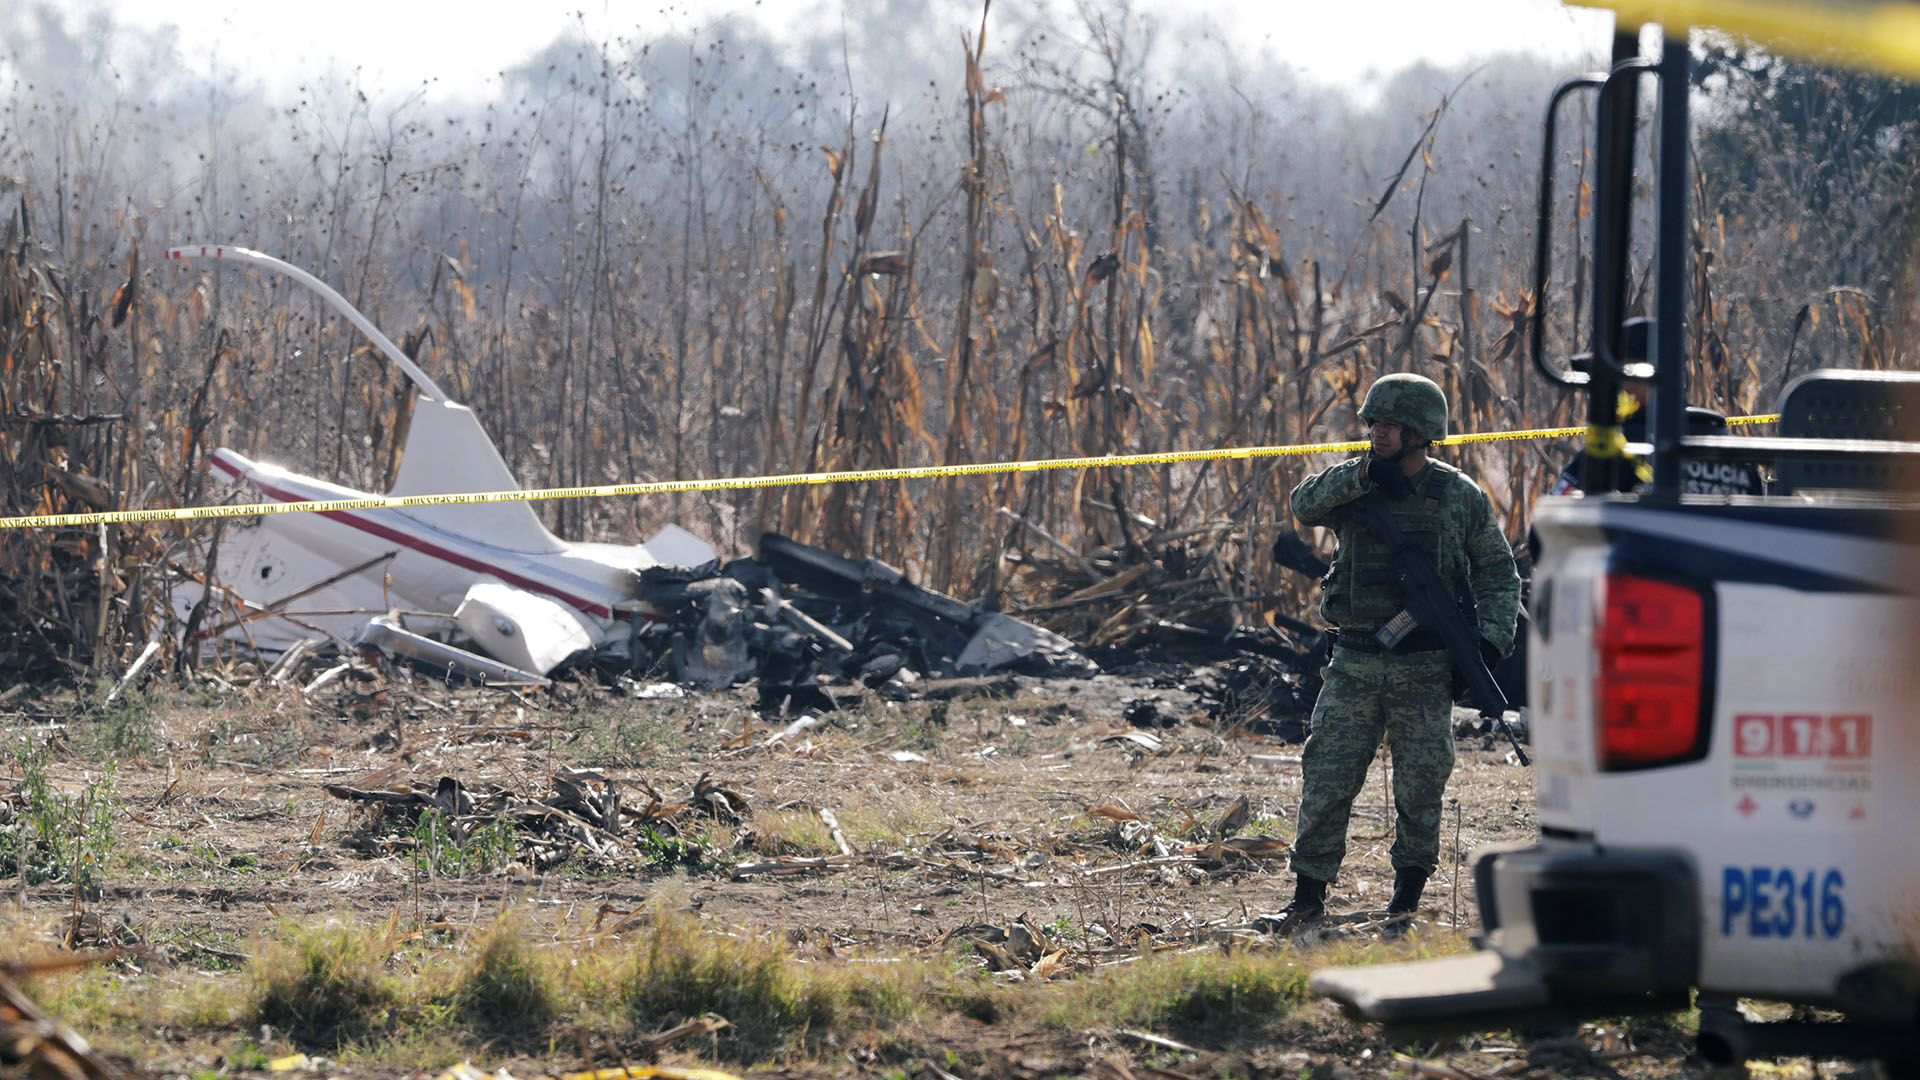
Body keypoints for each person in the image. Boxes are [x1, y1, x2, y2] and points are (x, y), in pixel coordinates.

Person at [1266, 373, 1520, 934]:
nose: (1379, 433)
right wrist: (1357, 477)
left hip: (1425, 667)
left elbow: (1499, 573)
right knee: (1328, 777)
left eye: (1392, 425)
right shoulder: (1356, 485)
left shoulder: (1458, 497)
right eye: (1374, 423)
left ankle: (1405, 903)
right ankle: (1306, 897)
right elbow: (1303, 505)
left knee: (1421, 786)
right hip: (1353, 660)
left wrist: (1490, 641)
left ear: (1421, 433)